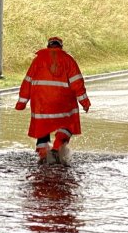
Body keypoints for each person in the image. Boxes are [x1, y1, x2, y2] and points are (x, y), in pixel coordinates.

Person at [15, 36, 91, 164]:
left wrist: (21, 102)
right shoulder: (68, 60)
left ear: (48, 46)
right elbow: (77, 83)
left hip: (41, 104)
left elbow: (27, 81)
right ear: (61, 47)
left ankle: (44, 155)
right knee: (67, 123)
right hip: (63, 103)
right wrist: (84, 102)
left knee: (42, 126)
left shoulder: (38, 60)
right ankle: (57, 147)